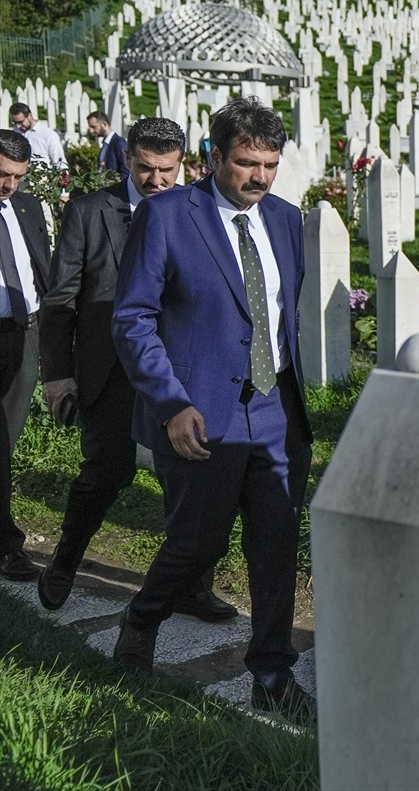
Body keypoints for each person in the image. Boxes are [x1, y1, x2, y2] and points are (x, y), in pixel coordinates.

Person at [110, 97, 314, 724]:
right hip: (200, 411)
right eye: (246, 163)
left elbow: (281, 313)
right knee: (198, 542)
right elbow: (133, 318)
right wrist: (171, 402)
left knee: (277, 542)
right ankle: (142, 619)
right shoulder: (169, 216)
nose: (259, 177)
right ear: (213, 157)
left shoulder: (284, 218)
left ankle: (273, 674)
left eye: (271, 164)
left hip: (276, 406)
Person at [38, 118, 236, 621]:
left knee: (191, 477)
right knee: (104, 473)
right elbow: (60, 301)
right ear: (128, 159)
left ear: (184, 163)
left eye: (167, 171)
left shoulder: (197, 209)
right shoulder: (88, 212)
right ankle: (64, 562)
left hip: (178, 368)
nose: (156, 181)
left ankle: (194, 586)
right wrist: (57, 374)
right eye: (145, 169)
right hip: (110, 368)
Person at [0, 130, 51, 582]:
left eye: (17, 176)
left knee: (7, 438)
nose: (8, 185)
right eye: (1, 174)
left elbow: (42, 269)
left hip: (27, 330)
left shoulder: (28, 206)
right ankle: (8, 546)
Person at [9, 102, 66, 168]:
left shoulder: (48, 135)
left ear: (29, 116)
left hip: (43, 176)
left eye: (20, 122)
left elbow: (59, 161)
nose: (18, 126)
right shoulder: (14, 134)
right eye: (15, 123)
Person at [86, 111, 129, 181]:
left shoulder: (119, 143)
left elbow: (126, 169)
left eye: (93, 127)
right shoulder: (106, 143)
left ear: (104, 124)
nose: (91, 131)